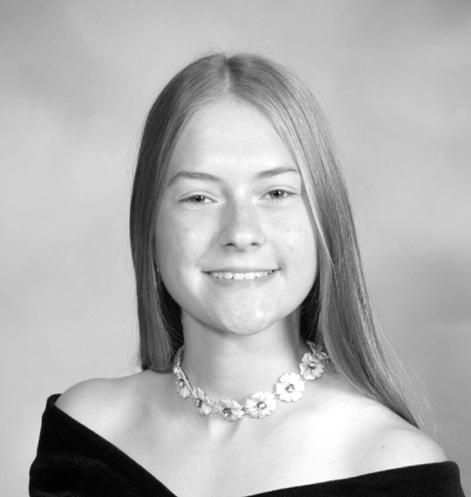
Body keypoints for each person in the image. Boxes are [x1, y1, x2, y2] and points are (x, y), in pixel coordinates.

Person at [29, 53, 465, 496]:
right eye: (199, 198)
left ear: (325, 221)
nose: (240, 233)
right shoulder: (85, 433)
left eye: (276, 192)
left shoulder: (398, 466)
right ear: (149, 225)